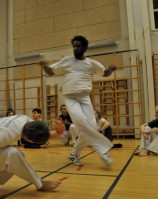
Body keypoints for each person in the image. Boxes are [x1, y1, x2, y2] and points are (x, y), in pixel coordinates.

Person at [41, 35, 116, 168]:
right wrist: (45, 65)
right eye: (74, 46)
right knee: (81, 122)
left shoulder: (91, 63)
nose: (75, 48)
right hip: (70, 98)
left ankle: (74, 153)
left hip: (85, 97)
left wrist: (110, 69)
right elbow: (51, 72)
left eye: (78, 46)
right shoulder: (67, 61)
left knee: (92, 127)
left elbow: (104, 73)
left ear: (84, 48)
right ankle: (103, 152)